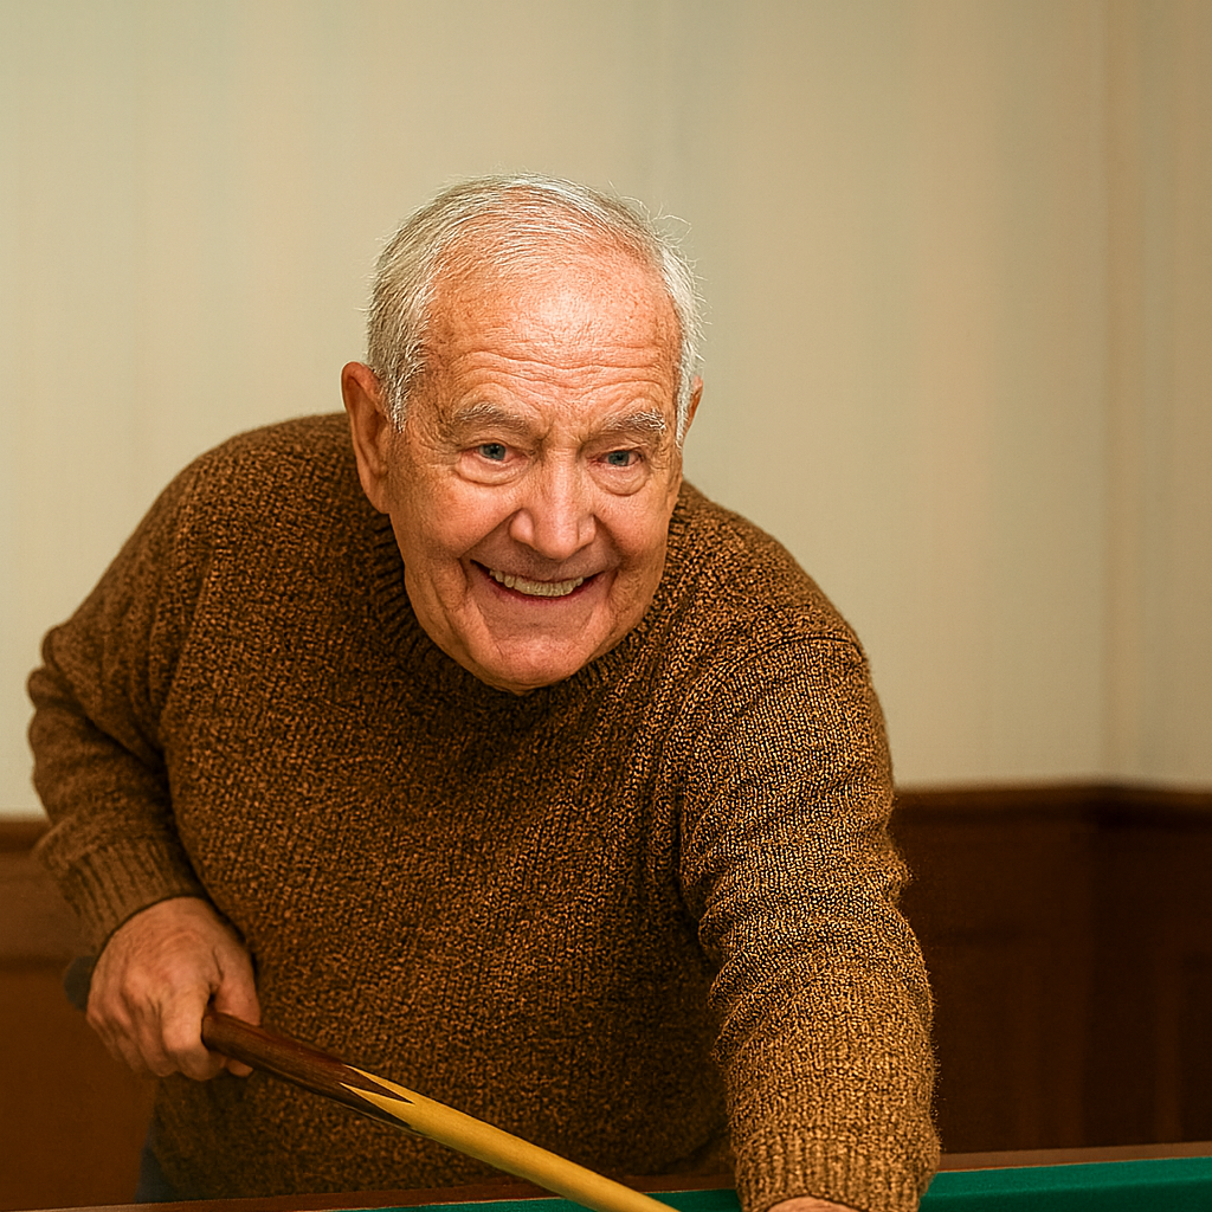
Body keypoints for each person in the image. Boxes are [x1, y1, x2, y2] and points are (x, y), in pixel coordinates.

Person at [29, 175, 938, 1212]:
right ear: (377, 434)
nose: (557, 529)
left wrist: (825, 1191)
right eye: (496, 449)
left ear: (680, 431)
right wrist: (146, 902)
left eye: (620, 455)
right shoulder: (234, 524)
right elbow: (85, 715)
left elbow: (821, 951)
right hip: (226, 1196)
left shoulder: (764, 654)